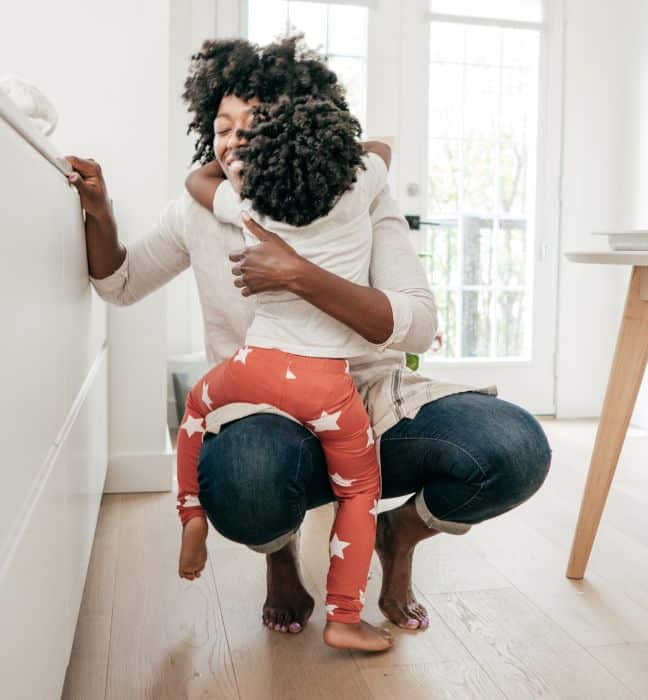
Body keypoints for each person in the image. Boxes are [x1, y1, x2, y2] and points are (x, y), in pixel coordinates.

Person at [66, 35, 552, 637]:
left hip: (368, 403)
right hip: (261, 414)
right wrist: (100, 208)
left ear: (300, 123)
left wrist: (299, 276)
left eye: (256, 120)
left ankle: (396, 537)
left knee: (517, 449)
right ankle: (280, 555)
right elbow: (120, 284)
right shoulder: (202, 211)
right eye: (222, 124)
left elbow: (421, 323)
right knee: (246, 480)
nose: (233, 137)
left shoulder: (359, 198)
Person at [177, 86, 396, 651]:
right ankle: (345, 617)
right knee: (360, 492)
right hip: (325, 385)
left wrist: (239, 160)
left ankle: (191, 515)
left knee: (197, 411)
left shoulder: (250, 200)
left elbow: (196, 182)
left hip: (254, 367)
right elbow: (381, 148)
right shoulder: (358, 184)